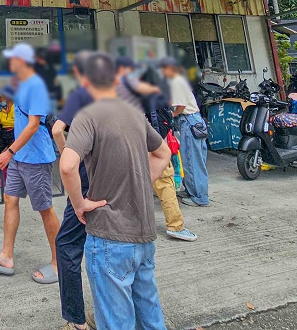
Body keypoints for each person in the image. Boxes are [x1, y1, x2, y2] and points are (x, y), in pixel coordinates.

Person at [60, 52, 171, 329]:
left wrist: (79, 204)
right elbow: (163, 153)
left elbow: (67, 166)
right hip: (144, 235)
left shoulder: (87, 115)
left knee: (116, 321)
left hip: (109, 237)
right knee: (150, 315)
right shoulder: (134, 113)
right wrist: (141, 183)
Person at [0, 43, 60, 285]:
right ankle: (6, 256)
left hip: (35, 159)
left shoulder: (36, 85)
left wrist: (9, 151)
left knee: (45, 209)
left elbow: (34, 125)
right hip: (19, 156)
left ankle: (59, 263)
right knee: (10, 200)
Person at [117, 58, 196, 242]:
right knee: (165, 182)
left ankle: (125, 224)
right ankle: (175, 226)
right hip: (153, 144)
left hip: (130, 144)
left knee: (130, 183)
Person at [52, 52, 94, 330]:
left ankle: (76, 320)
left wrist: (67, 154)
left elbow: (57, 129)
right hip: (116, 179)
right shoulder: (122, 96)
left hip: (85, 180)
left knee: (67, 245)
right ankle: (108, 314)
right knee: (105, 245)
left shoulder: (80, 96)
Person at [161, 57, 209, 207]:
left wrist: (171, 116)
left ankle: (199, 197)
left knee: (192, 160)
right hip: (194, 120)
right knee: (194, 159)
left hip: (189, 121)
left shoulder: (176, 82)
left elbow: (180, 106)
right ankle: (191, 190)